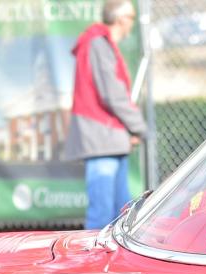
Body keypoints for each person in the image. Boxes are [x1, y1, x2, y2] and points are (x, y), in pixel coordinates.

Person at [65, 0, 147, 229]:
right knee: (102, 218)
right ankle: (92, 265)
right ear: (121, 20)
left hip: (109, 138)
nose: (132, 23)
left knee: (121, 215)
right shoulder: (98, 44)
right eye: (131, 17)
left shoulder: (100, 44)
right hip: (102, 138)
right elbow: (112, 95)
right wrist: (138, 127)